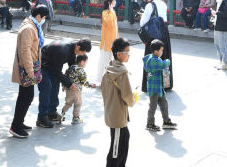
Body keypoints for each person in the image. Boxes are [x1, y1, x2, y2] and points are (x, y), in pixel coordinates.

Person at [9, 4, 49, 138]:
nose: (44, 20)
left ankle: (19, 123)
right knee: (26, 97)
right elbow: (24, 50)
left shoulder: (32, 25)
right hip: (26, 68)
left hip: (29, 65)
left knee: (25, 96)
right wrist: (30, 70)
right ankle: (15, 126)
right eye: (44, 17)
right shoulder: (29, 28)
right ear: (38, 16)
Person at [38, 37, 93, 126]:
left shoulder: (73, 48)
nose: (83, 55)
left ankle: (51, 113)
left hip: (52, 64)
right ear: (78, 47)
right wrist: (69, 84)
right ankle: (42, 118)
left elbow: (72, 68)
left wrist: (68, 81)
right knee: (47, 88)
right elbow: (57, 72)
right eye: (83, 52)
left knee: (55, 86)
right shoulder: (63, 51)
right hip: (42, 63)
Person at [102, 37, 137, 167]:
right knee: (116, 150)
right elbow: (127, 95)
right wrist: (133, 100)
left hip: (113, 112)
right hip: (117, 117)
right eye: (127, 52)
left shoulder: (109, 68)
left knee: (124, 140)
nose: (129, 55)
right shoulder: (122, 72)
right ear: (119, 54)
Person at [138, 0, 173, 91]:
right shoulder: (163, 4)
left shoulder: (150, 5)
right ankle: (166, 84)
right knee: (164, 57)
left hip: (154, 36)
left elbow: (142, 23)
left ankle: (150, 85)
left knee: (151, 60)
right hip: (164, 34)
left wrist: (142, 16)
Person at [142, 39, 176, 131]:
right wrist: (168, 61)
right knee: (153, 107)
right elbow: (163, 64)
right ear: (156, 51)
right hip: (154, 88)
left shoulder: (155, 59)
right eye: (161, 50)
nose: (162, 52)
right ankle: (150, 124)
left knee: (164, 104)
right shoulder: (153, 60)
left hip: (159, 87)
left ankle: (166, 121)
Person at [60, 53, 94, 124]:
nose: (86, 64)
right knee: (78, 104)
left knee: (68, 103)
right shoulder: (81, 70)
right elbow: (84, 82)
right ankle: (75, 118)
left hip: (69, 90)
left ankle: (62, 114)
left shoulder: (70, 68)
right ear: (82, 62)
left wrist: (64, 85)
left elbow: (65, 77)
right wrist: (90, 85)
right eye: (86, 62)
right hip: (76, 91)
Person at [94, 0, 119, 84]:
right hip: (107, 42)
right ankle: (101, 80)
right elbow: (109, 22)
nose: (115, 2)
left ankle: (109, 80)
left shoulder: (112, 12)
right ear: (109, 2)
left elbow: (115, 28)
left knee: (111, 62)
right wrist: (111, 10)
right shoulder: (105, 13)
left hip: (113, 41)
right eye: (114, 0)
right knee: (104, 61)